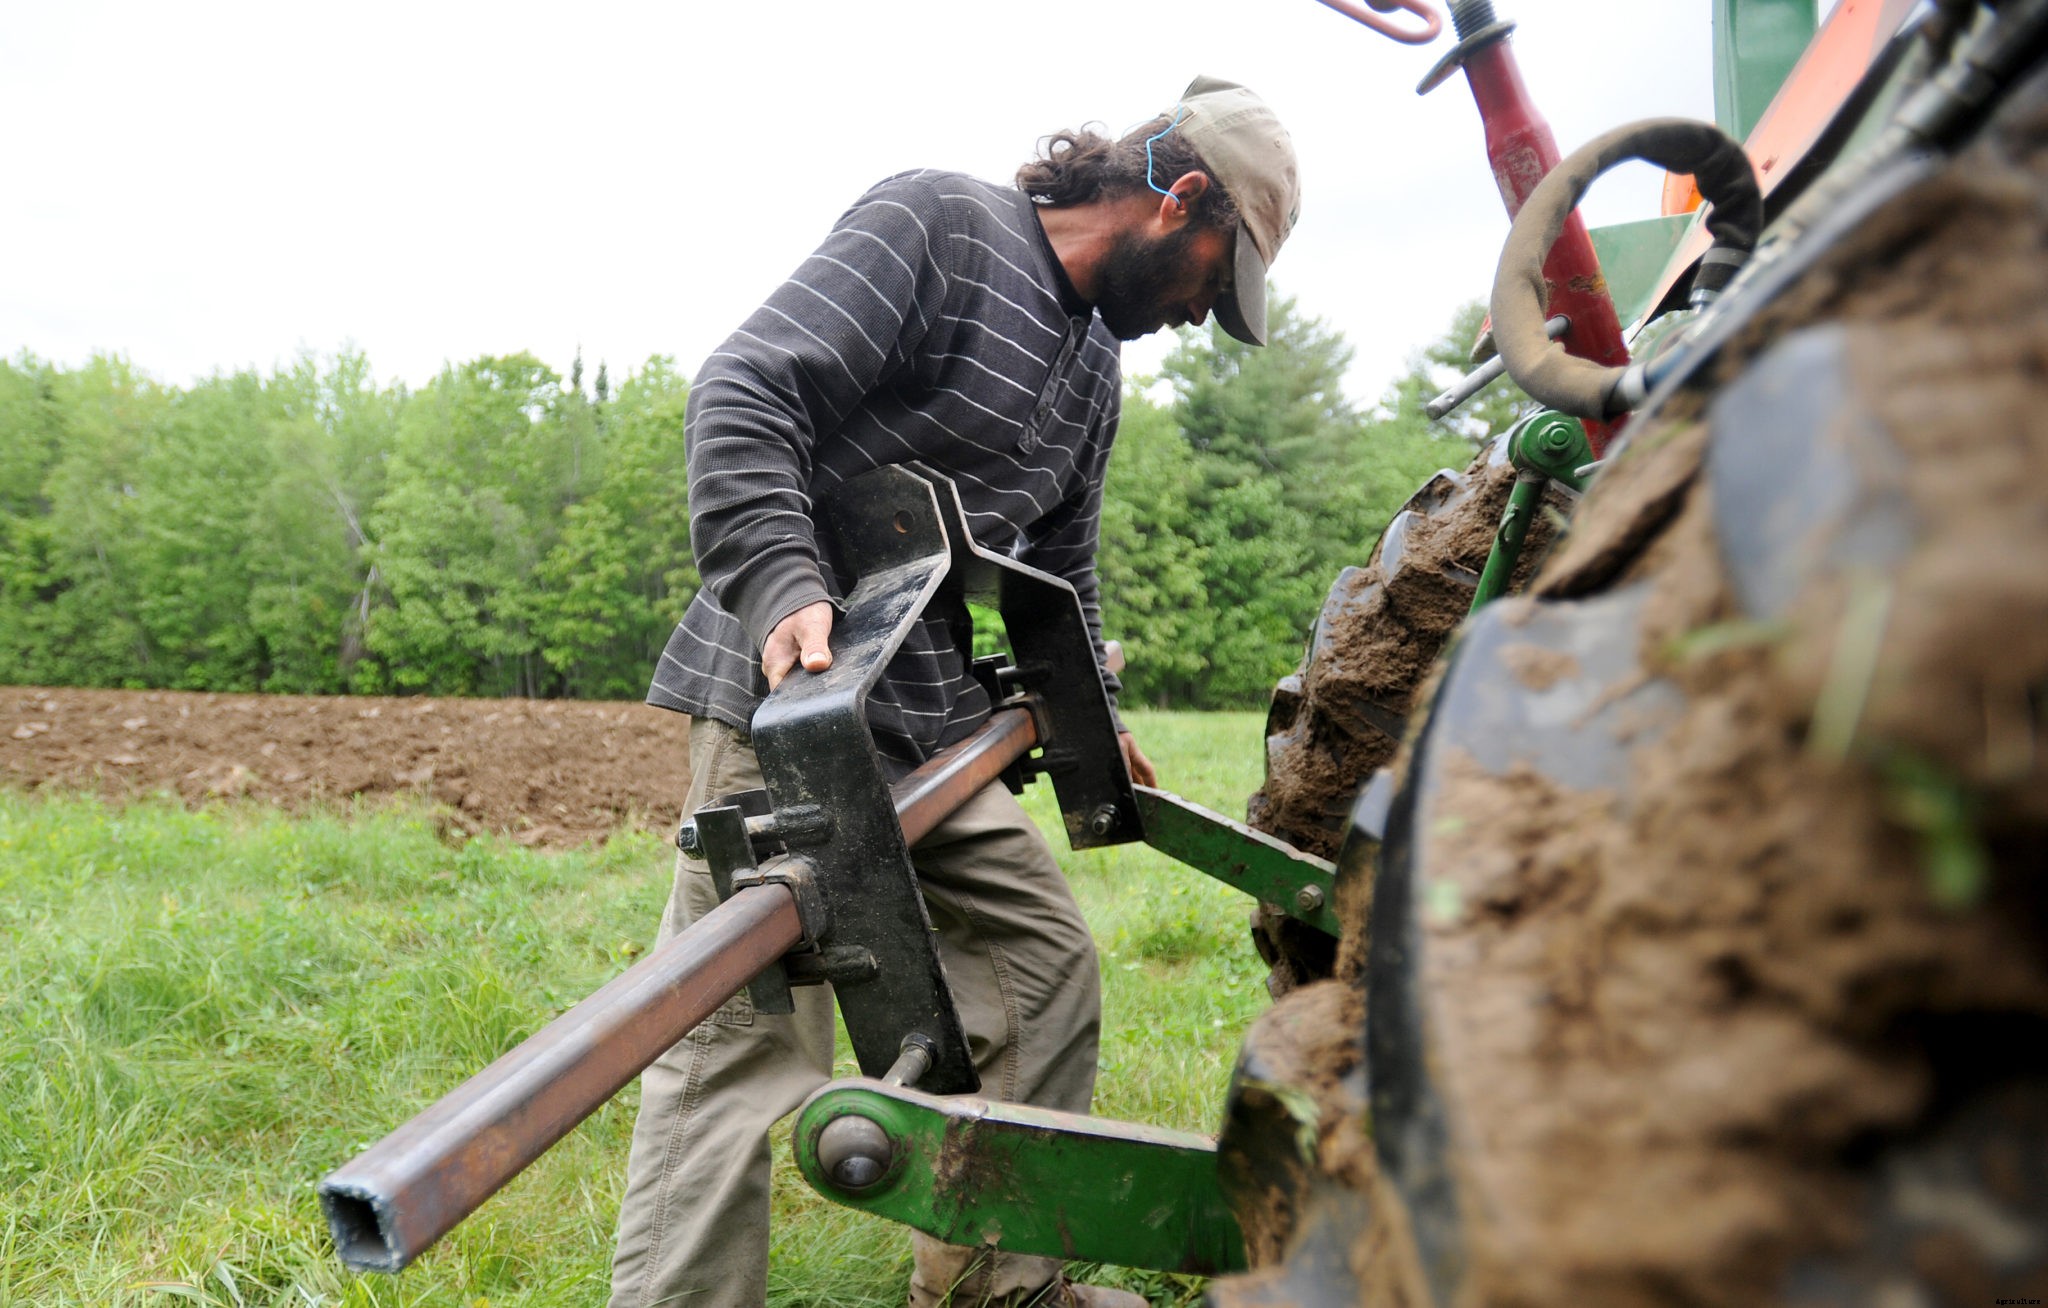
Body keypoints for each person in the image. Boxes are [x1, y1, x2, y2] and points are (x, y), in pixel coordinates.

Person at [610, 75, 1301, 1308]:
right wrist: (782, 583)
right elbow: (745, 386)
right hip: (795, 697)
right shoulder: (936, 225)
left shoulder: (1095, 366)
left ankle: (998, 1283)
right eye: (1213, 275)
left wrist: (1090, 705)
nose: (1204, 313)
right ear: (1176, 198)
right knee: (741, 1043)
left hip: (928, 722)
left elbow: (1060, 564)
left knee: (1041, 963)